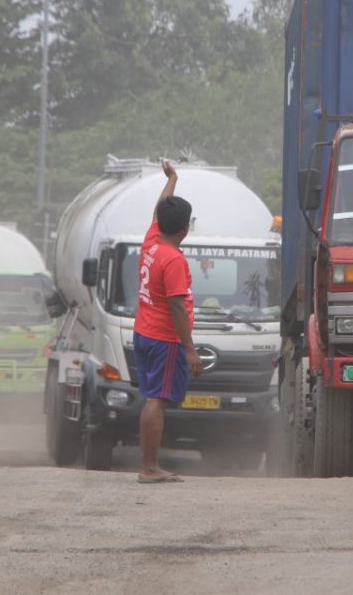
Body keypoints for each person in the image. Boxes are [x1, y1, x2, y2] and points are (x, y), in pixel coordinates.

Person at [133, 159, 204, 483]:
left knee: (153, 398)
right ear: (185, 228)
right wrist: (190, 350)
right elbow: (177, 307)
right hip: (165, 339)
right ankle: (149, 468)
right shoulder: (173, 259)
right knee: (157, 401)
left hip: (144, 332)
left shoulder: (151, 242)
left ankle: (149, 465)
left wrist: (172, 178)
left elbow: (158, 208)